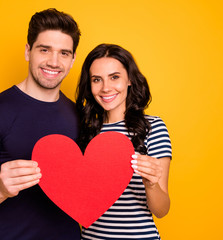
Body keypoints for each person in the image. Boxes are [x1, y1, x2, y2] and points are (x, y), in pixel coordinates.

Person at [0, 8, 81, 239]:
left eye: (64, 53)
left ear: (73, 59)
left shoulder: (79, 114)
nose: (54, 62)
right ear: (28, 51)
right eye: (45, 50)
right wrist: (1, 188)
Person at [76, 43, 172, 239]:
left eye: (114, 77)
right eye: (97, 79)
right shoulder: (85, 131)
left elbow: (162, 210)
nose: (105, 88)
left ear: (129, 79)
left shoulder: (152, 127)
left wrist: (151, 184)